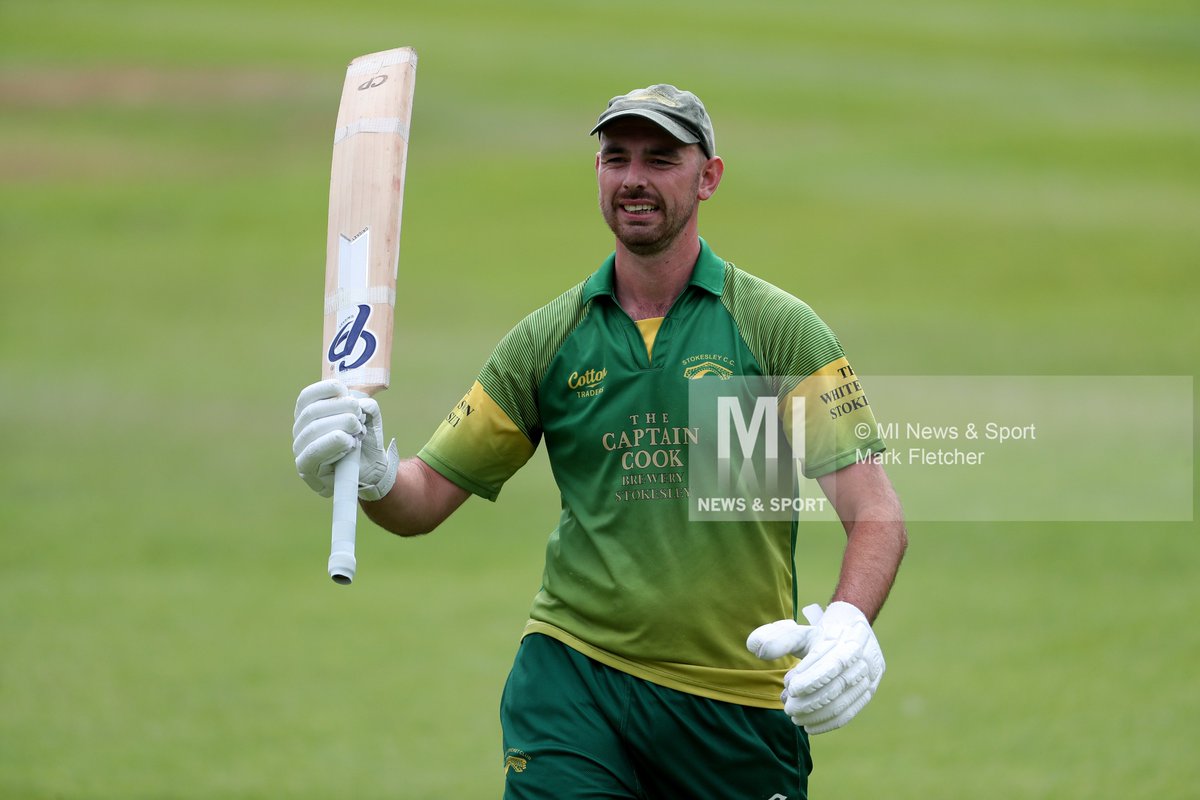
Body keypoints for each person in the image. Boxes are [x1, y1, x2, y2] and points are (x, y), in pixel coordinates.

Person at [293, 84, 907, 799]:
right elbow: (423, 498)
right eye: (616, 158)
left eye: (660, 158)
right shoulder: (547, 342)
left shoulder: (776, 329)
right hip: (574, 674)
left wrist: (848, 621)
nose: (634, 178)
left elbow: (876, 514)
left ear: (708, 177)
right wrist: (370, 473)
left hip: (736, 704)